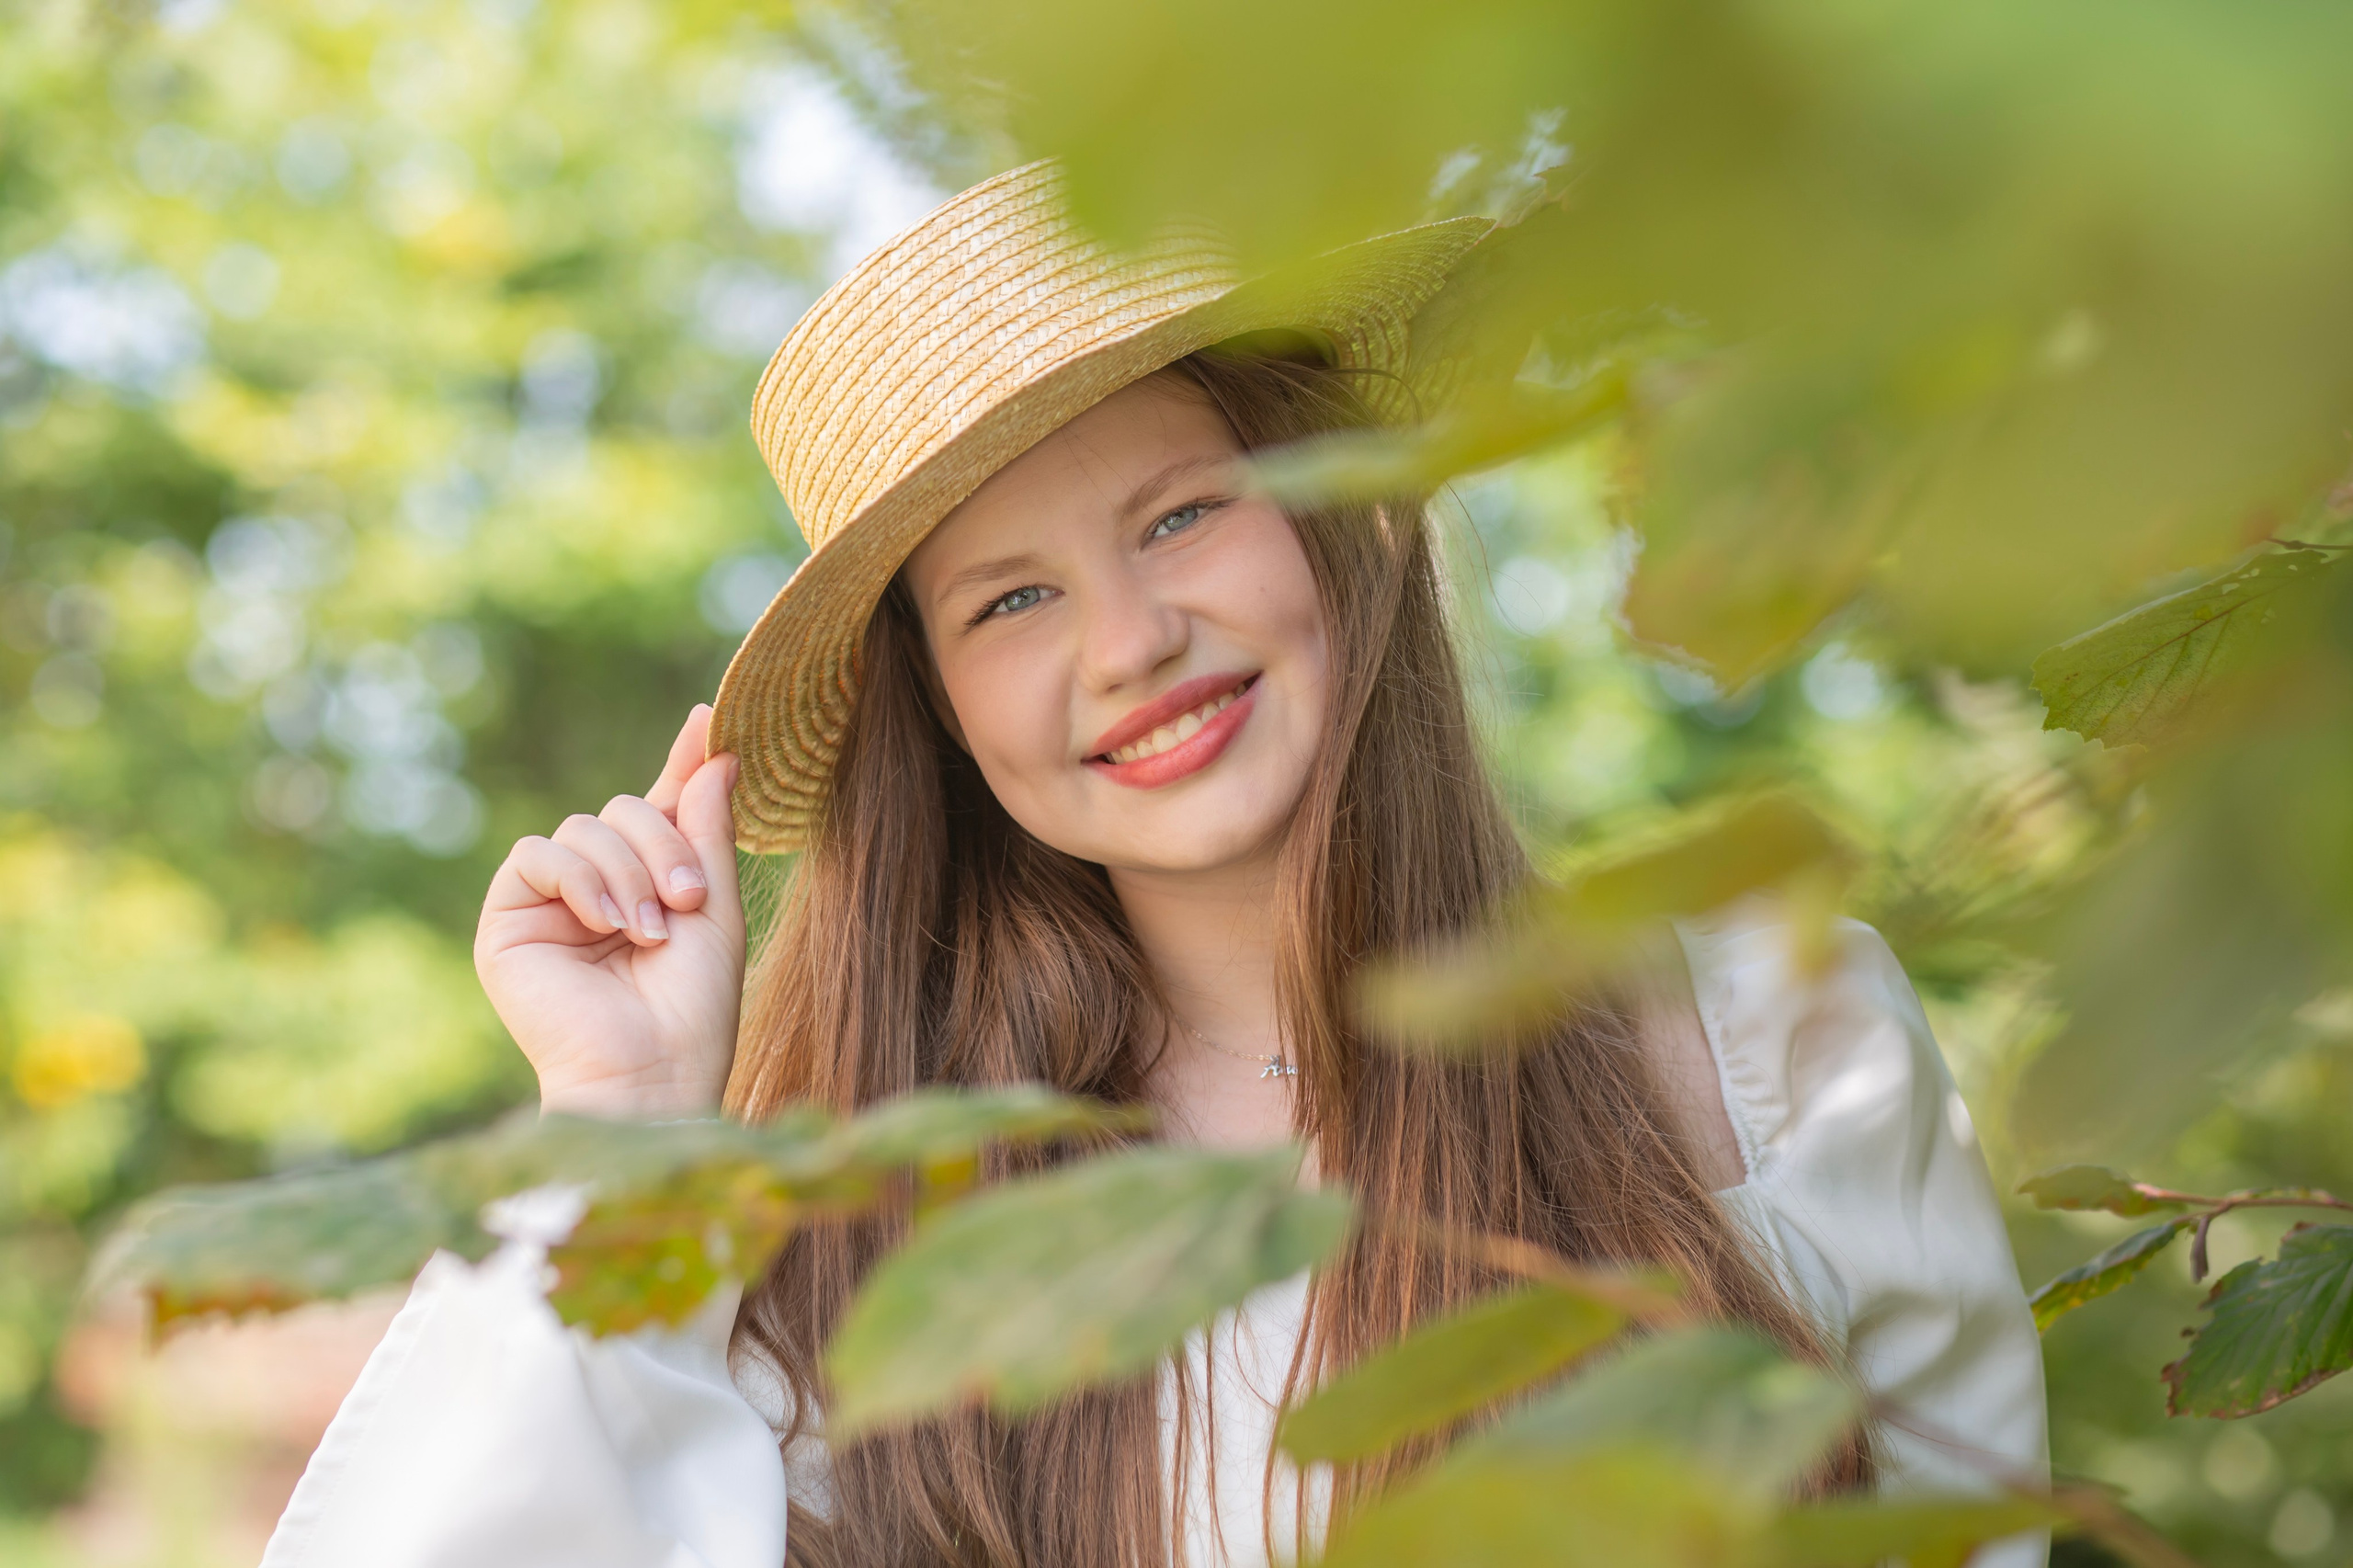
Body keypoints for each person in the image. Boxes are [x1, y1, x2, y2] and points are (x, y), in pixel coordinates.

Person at [260, 163, 2046, 1568]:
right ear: (942, 714)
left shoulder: (1763, 1041)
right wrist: (622, 1109)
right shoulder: (846, 1246)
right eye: (1010, 598)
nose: (1126, 639)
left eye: (1181, 511)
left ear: (1345, 514)